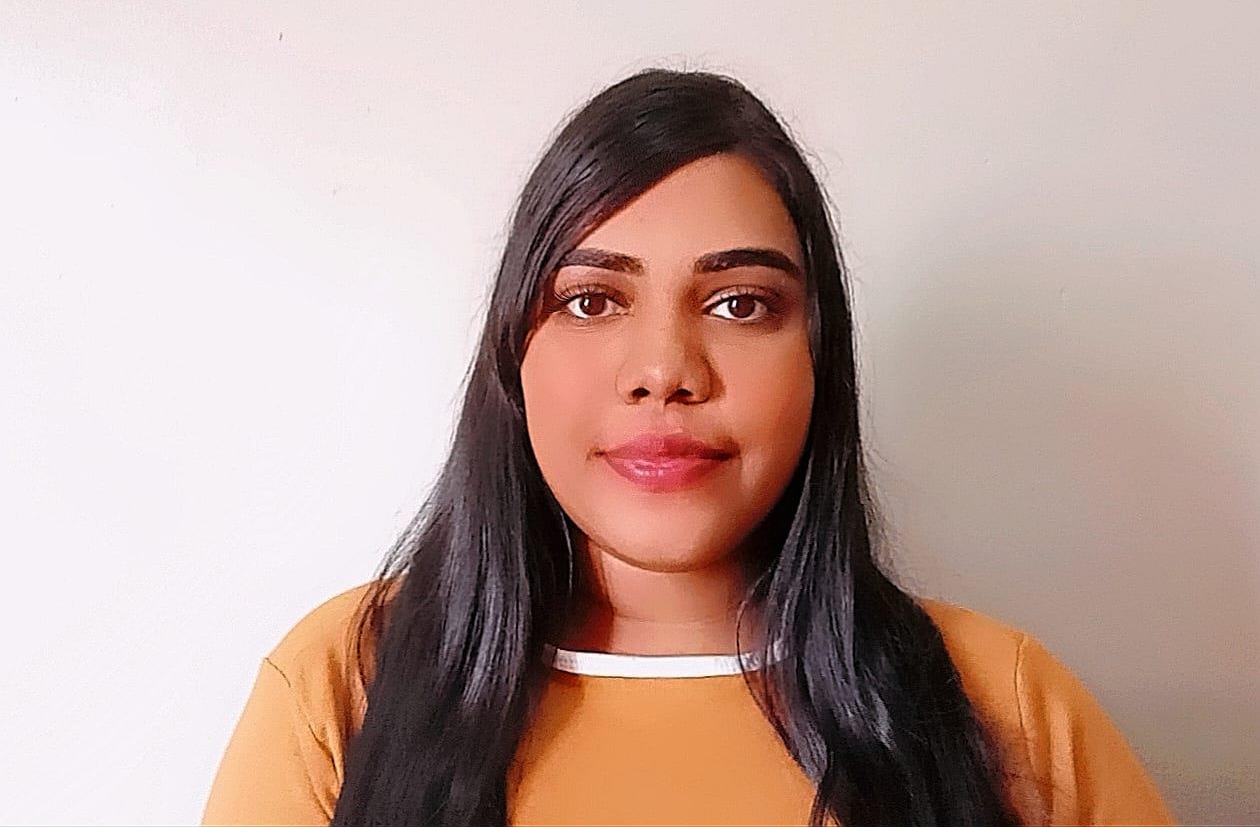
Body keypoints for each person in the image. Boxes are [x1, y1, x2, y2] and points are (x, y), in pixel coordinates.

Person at [201, 68, 1176, 826]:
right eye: (592, 300)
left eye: (739, 304)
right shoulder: (345, 685)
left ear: (818, 360)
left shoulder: (1002, 703)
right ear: (512, 355)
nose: (664, 369)